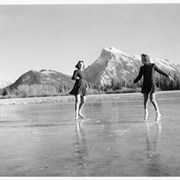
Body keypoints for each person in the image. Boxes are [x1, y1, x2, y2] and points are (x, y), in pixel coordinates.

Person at [133, 54, 174, 122]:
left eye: (142, 59)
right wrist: (135, 81)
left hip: (152, 85)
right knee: (145, 100)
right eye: (141, 58)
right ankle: (146, 112)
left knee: (152, 100)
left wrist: (167, 76)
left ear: (146, 59)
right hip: (145, 85)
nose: (141, 60)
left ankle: (158, 113)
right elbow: (139, 76)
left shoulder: (153, 66)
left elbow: (160, 71)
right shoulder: (142, 68)